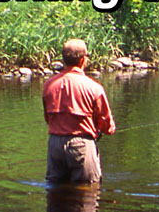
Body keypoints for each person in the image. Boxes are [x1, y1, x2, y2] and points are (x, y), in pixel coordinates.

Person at [43, 39, 116, 184]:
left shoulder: (49, 85)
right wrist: (106, 129)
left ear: (64, 59)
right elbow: (107, 125)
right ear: (83, 60)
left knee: (56, 192)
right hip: (82, 145)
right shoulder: (94, 88)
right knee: (88, 191)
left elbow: (47, 118)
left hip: (54, 145)